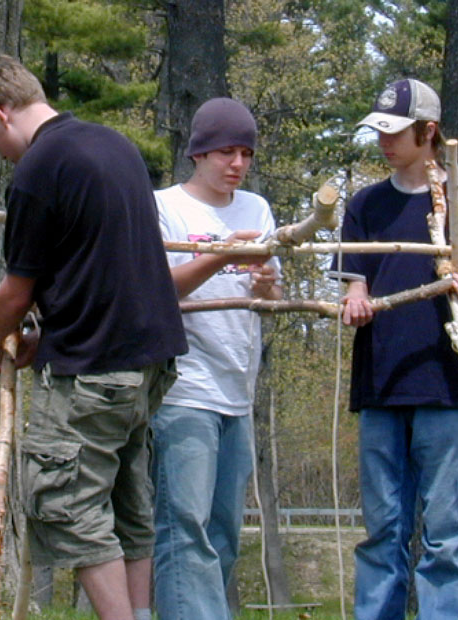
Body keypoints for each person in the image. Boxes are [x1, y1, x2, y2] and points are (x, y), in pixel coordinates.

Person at [0, 55, 187, 620]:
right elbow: (96, 265)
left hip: (94, 373)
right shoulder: (114, 146)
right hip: (146, 364)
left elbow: (16, 290)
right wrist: (50, 337)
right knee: (128, 510)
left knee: (68, 507)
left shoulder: (40, 166)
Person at [336, 78, 458, 619]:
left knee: (445, 528)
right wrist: (356, 295)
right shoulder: (365, 204)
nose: (384, 142)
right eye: (379, 132)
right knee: (384, 526)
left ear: (428, 132)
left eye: (396, 132)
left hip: (444, 385)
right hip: (380, 384)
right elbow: (352, 280)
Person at [152, 98, 282, 620]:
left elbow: (268, 302)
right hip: (183, 386)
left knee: (224, 530)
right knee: (184, 522)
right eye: (226, 151)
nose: (237, 163)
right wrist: (224, 254)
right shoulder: (165, 208)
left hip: (238, 390)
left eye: (246, 153)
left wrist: (267, 283)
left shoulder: (257, 209)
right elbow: (157, 288)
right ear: (199, 152)